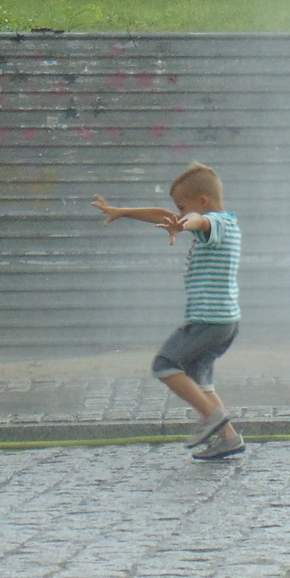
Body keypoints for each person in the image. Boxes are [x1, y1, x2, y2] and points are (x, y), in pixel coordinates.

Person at [94, 162, 246, 461]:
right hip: (224, 320)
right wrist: (122, 211)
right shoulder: (224, 222)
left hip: (209, 319)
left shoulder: (216, 223)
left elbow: (196, 222)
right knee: (200, 380)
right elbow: (170, 217)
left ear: (203, 202)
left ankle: (212, 418)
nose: (177, 213)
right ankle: (229, 438)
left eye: (182, 206)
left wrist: (185, 224)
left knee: (165, 364)